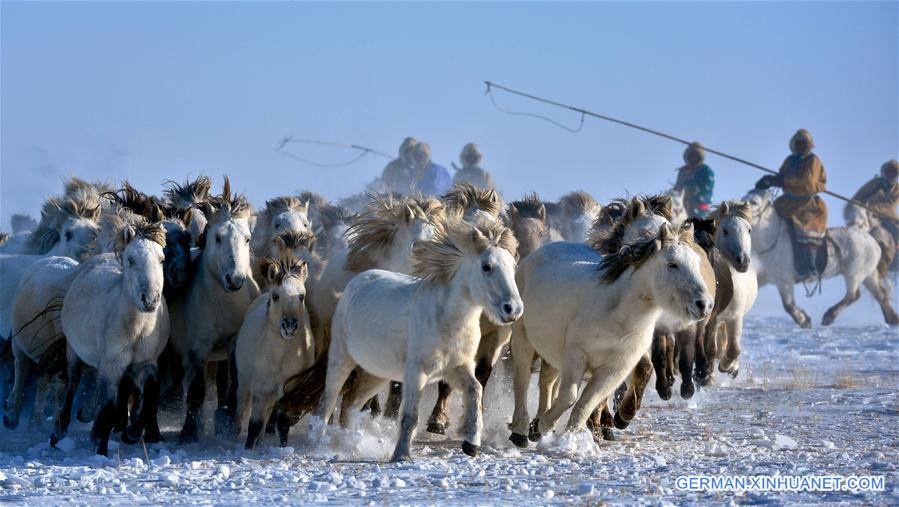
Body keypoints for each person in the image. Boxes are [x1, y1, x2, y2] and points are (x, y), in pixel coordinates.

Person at [755, 129, 828, 280]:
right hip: (787, 201)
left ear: (808, 145)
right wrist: (770, 180)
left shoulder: (813, 160)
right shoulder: (790, 160)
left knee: (804, 230)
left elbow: (808, 183)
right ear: (794, 145)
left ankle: (810, 266)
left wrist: (784, 181)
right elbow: (781, 176)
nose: (800, 146)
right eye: (798, 144)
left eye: (803, 144)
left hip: (807, 204)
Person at [852, 159, 899, 269]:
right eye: (889, 171)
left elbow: (891, 205)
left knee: (895, 231)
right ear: (884, 171)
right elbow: (858, 196)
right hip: (867, 213)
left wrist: (876, 208)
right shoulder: (874, 183)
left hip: (887, 216)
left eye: (893, 173)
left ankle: (895, 256)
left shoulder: (897, 189)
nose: (890, 174)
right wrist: (858, 206)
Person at [674, 142, 715, 218]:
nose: (693, 158)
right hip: (681, 208)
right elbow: (677, 188)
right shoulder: (683, 171)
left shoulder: (706, 170)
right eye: (691, 156)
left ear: (700, 157)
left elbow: (708, 186)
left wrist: (694, 189)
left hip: (700, 209)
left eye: (696, 156)